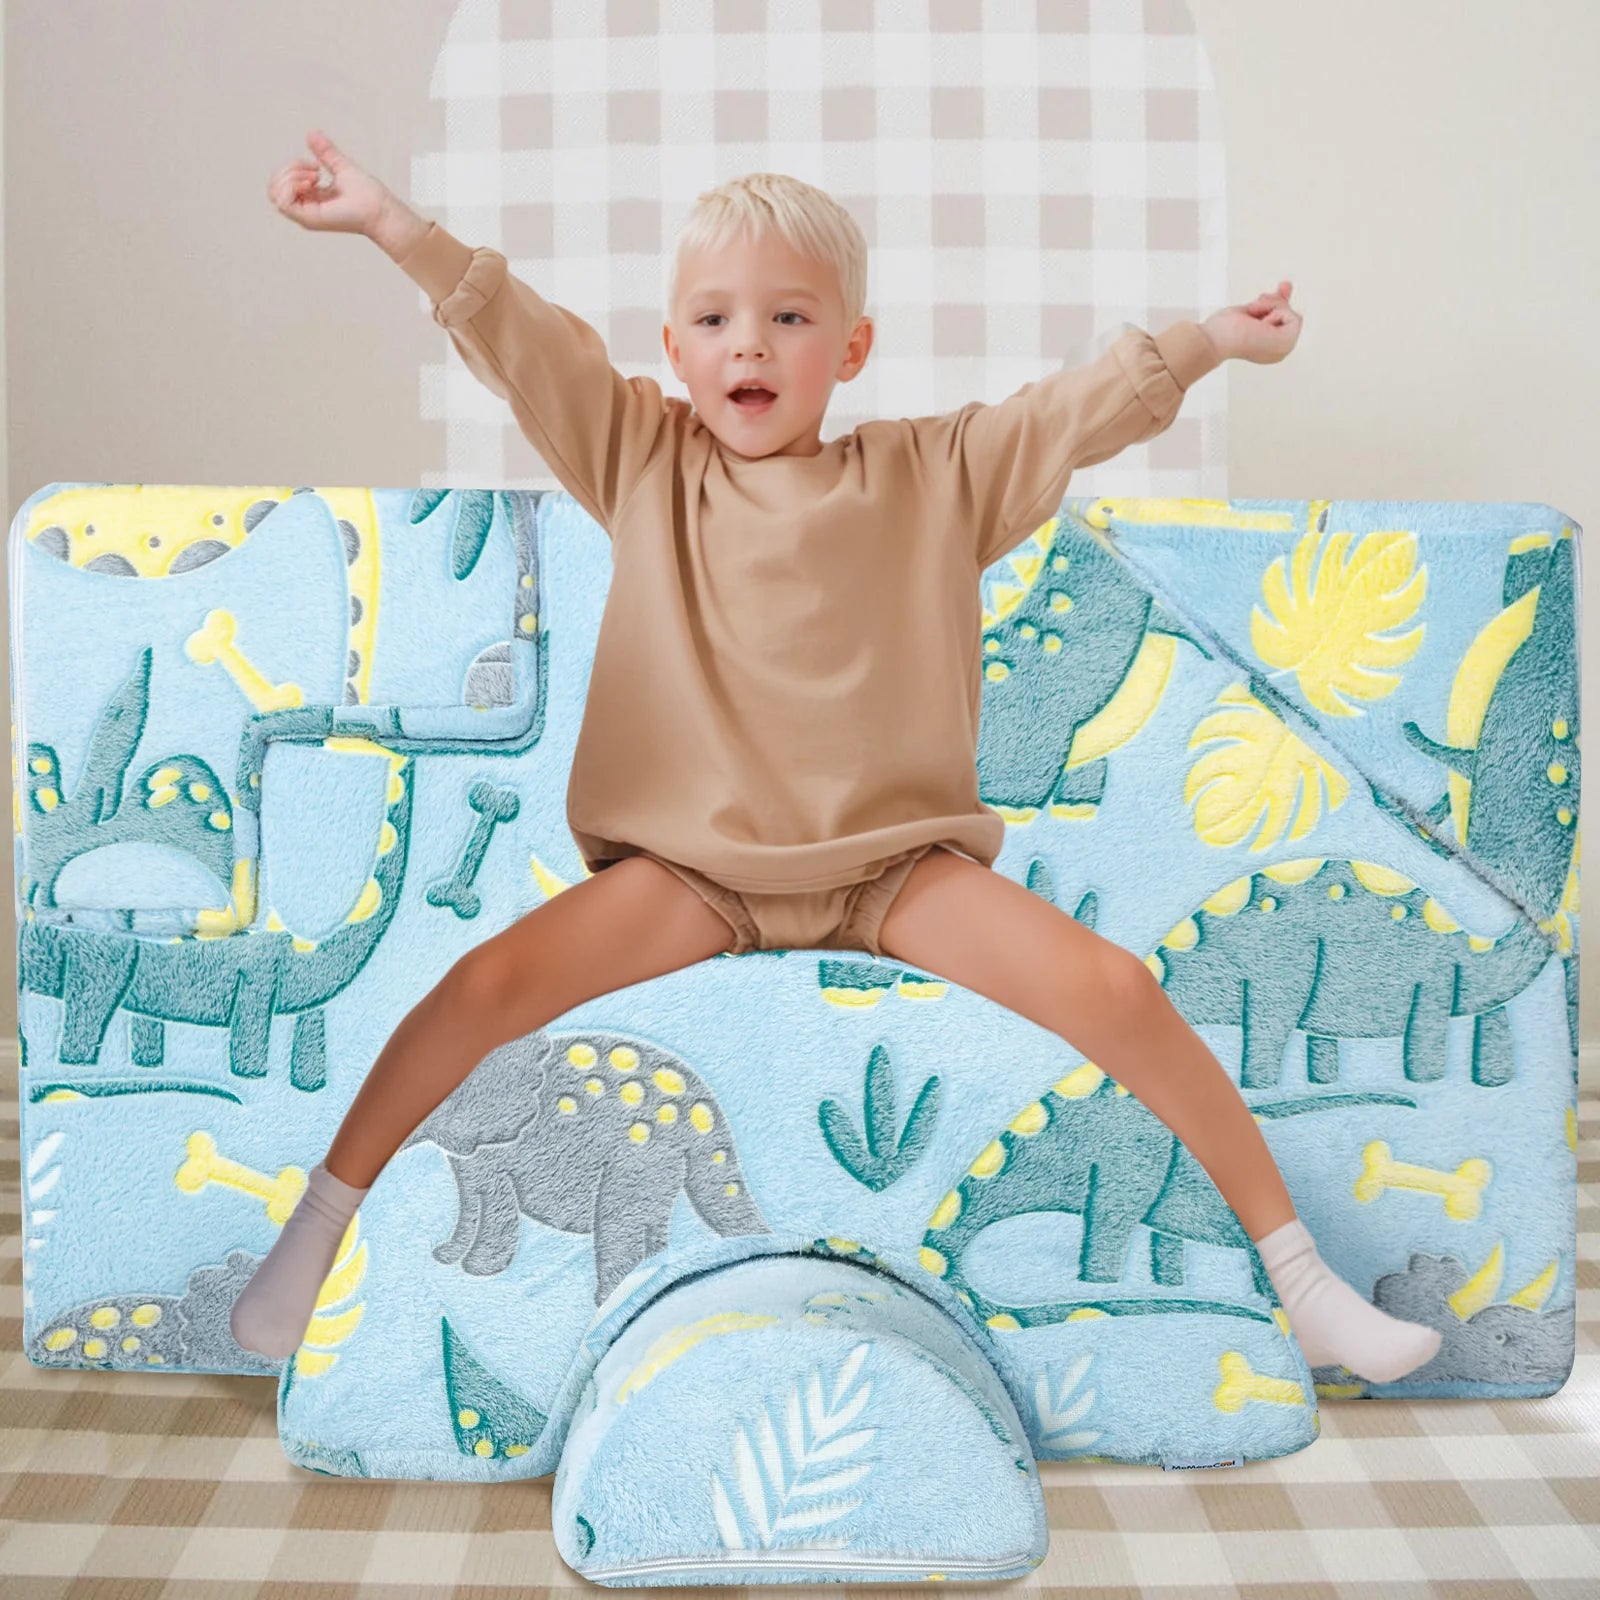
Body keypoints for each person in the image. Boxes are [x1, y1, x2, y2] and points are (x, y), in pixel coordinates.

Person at [231, 129, 1442, 1386]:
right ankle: (313, 1237)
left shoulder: (933, 474)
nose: (748, 345)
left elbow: (1072, 412)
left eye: (789, 317)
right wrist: (390, 223)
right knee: (482, 985)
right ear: (675, 349)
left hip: (893, 872)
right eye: (715, 319)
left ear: (851, 347)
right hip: (691, 874)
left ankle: (1304, 1282)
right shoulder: (641, 458)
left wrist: (1210, 340)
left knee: (1117, 990)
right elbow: (522, 341)